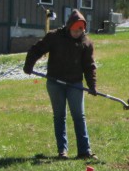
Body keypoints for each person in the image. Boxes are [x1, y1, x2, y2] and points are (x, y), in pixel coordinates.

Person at [23, 9, 98, 160]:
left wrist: (92, 85)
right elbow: (37, 49)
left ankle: (84, 151)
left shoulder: (86, 43)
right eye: (75, 30)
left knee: (79, 116)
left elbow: (89, 66)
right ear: (69, 26)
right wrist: (29, 65)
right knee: (59, 116)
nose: (77, 33)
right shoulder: (54, 37)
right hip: (55, 82)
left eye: (80, 30)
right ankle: (62, 151)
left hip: (75, 83)